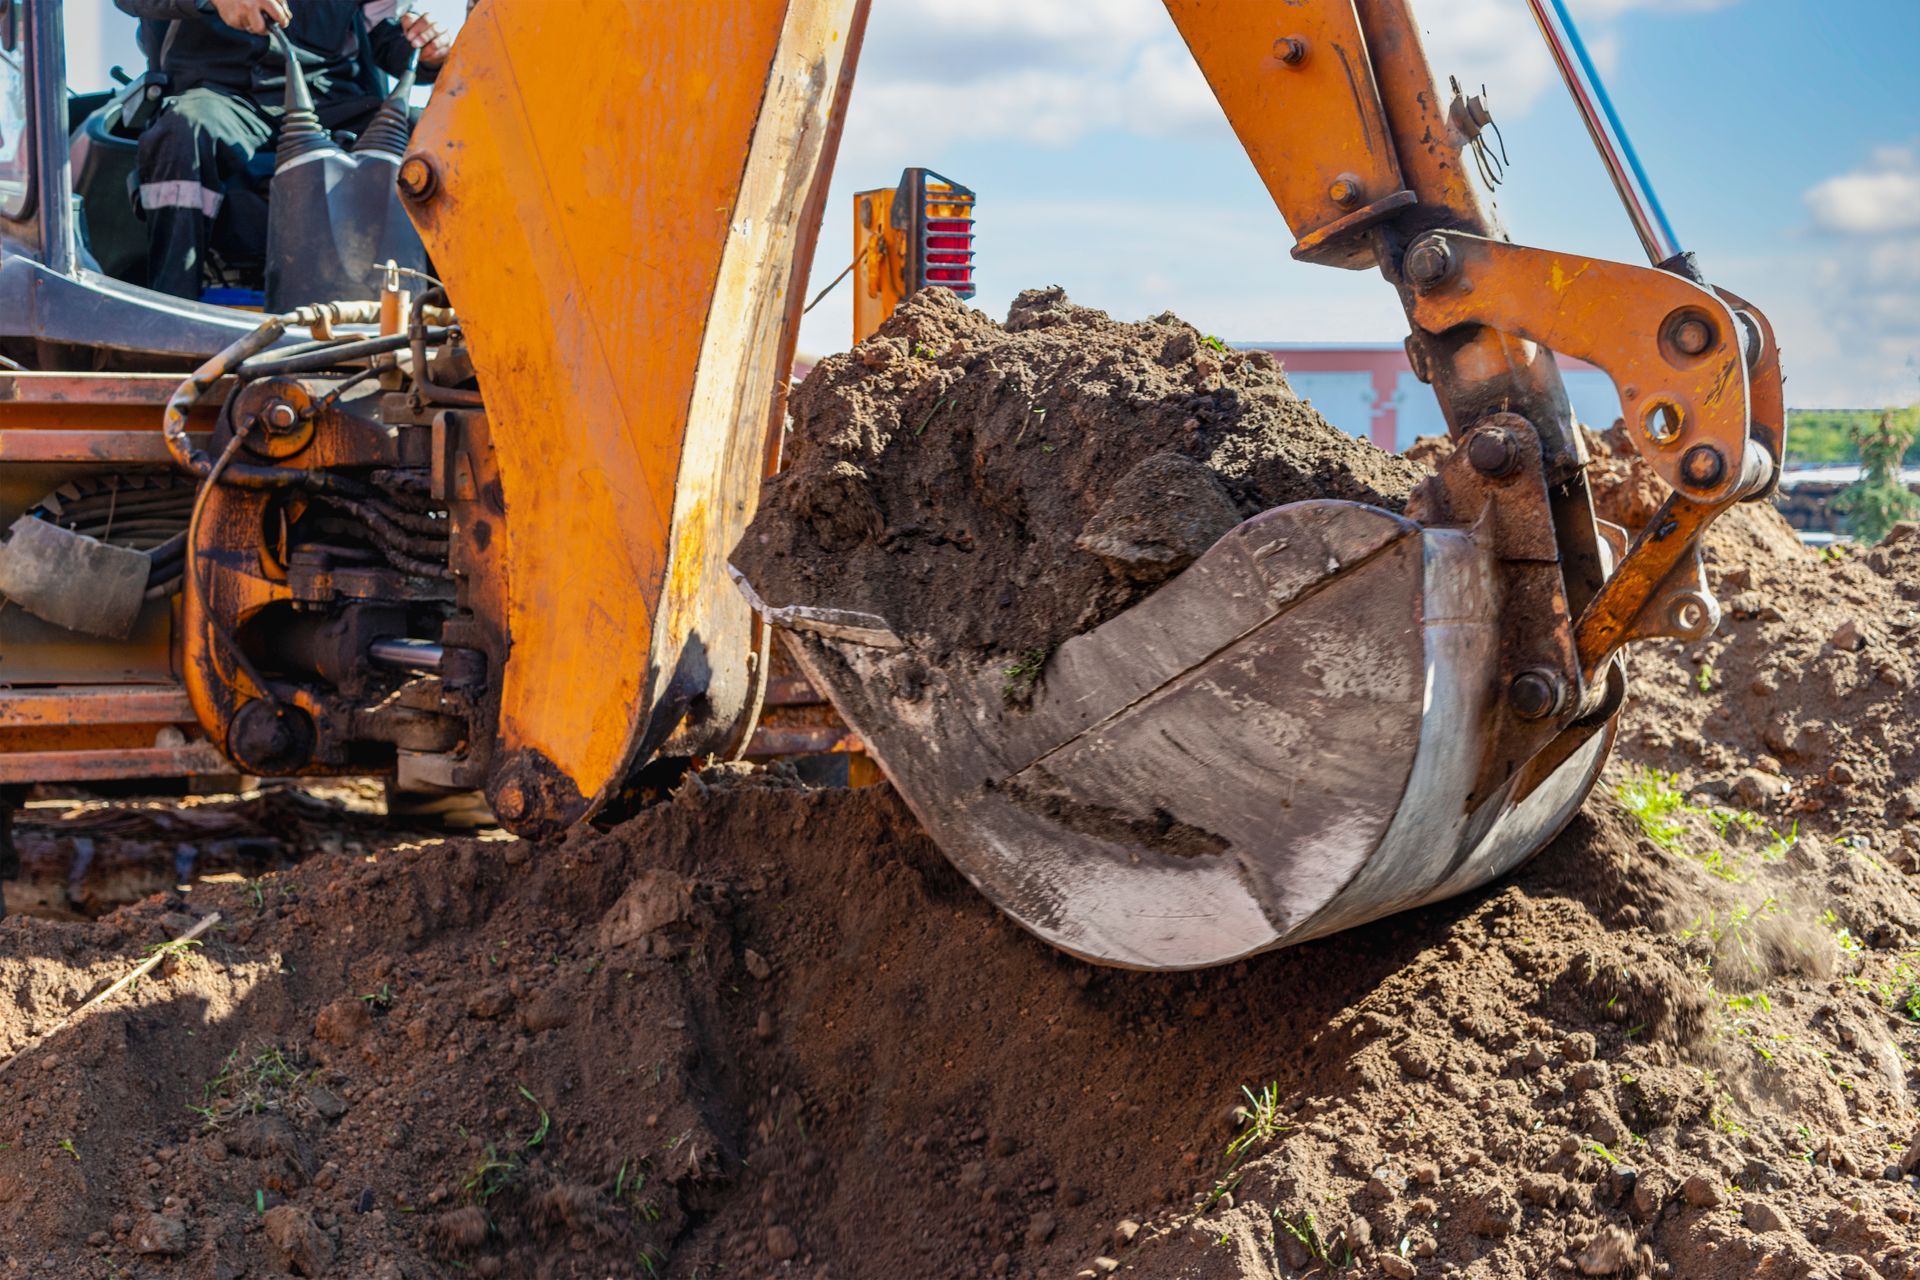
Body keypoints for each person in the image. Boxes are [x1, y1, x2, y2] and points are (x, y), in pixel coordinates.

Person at [112, 0, 454, 298]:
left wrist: (427, 51)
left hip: (328, 100)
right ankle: (173, 318)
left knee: (437, 138)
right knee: (184, 129)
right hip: (219, 95)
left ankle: (452, 322)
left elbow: (386, 33)